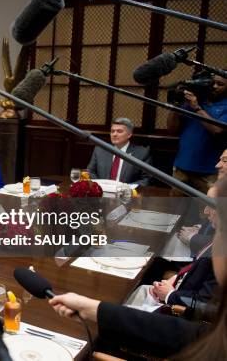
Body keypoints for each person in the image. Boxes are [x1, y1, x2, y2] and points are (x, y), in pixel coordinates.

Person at [48, 177, 227, 359]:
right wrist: (94, 308)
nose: (205, 211)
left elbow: (188, 333)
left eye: (220, 232)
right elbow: (190, 333)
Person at [168, 74, 227, 195]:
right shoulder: (195, 101)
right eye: (212, 83)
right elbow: (172, 129)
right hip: (182, 168)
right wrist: (176, 105)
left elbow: (217, 130)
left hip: (210, 171)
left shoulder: (222, 106)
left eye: (220, 84)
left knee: (208, 212)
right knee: (176, 210)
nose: (214, 86)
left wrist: (196, 108)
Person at [86, 117, 152, 186]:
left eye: (119, 131)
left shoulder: (142, 153)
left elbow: (146, 179)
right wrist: (100, 185)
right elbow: (90, 172)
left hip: (127, 194)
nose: (114, 134)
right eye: (112, 131)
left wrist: (126, 188)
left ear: (129, 134)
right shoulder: (100, 150)